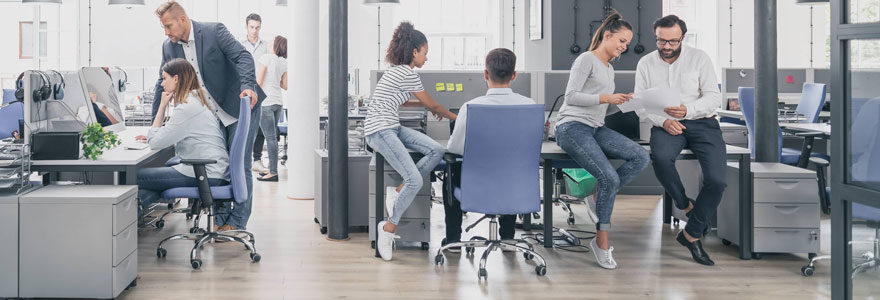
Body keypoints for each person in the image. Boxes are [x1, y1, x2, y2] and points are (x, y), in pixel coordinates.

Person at [153, 1, 265, 233]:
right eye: (163, 27)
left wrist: (248, 86)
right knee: (220, 167)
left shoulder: (214, 31)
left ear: (182, 19)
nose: (166, 32)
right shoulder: (169, 47)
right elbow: (160, 85)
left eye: (168, 26)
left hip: (239, 105)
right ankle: (221, 216)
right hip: (213, 116)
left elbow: (243, 57)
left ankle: (237, 221)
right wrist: (154, 121)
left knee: (240, 164)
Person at [554, 12, 651, 270]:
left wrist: (622, 103)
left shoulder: (609, 69)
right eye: (621, 40)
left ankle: (596, 198)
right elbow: (571, 96)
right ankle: (601, 242)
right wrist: (608, 98)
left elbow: (601, 109)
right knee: (610, 177)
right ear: (607, 35)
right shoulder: (587, 59)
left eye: (627, 44)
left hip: (595, 127)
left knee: (641, 156)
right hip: (572, 126)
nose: (624, 47)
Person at [635, 15, 724, 266]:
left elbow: (713, 97)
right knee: (661, 158)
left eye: (672, 41)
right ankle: (685, 205)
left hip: (702, 122)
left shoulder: (699, 58)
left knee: (717, 181)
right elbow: (641, 104)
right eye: (661, 41)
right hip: (665, 123)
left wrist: (688, 110)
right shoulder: (646, 63)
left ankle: (691, 234)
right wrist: (663, 121)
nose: (666, 46)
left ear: (682, 38)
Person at [367, 21, 457, 261]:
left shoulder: (398, 72)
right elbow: (432, 103)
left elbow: (406, 100)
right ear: (414, 52)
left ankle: (398, 191)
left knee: (436, 149)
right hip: (380, 130)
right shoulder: (406, 72)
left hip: (392, 126)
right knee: (415, 179)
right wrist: (456, 116)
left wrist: (431, 107)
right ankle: (388, 228)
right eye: (425, 53)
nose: (426, 58)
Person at [442, 48, 533, 251]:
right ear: (514, 75)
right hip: (516, 189)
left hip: (477, 190)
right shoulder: (529, 105)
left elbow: (455, 148)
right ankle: (508, 238)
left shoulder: (470, 107)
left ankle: (453, 241)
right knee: (508, 170)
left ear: (485, 74)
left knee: (452, 170)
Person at [135, 58, 229, 220]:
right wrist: (158, 133)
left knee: (133, 176)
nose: (162, 84)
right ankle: (135, 216)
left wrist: (162, 106)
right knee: (152, 181)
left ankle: (130, 217)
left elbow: (155, 143)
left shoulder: (187, 107)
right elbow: (176, 131)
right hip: (213, 171)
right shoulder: (197, 100)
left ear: (176, 79)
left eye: (165, 78)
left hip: (205, 173)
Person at [239, 13, 270, 174]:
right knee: (243, 124)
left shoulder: (266, 46)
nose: (254, 30)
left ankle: (257, 159)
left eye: (257, 27)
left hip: (262, 90)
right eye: (251, 27)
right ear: (246, 26)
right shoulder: (239, 44)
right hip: (245, 90)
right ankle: (242, 158)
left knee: (260, 127)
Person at [255, 35, 288, 182]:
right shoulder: (283, 62)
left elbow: (259, 82)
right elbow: (285, 85)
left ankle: (273, 172)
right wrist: (274, 79)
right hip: (278, 103)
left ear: (276, 45)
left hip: (266, 103)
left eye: (272, 41)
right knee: (271, 137)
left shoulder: (266, 58)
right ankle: (271, 168)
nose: (269, 42)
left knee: (270, 138)